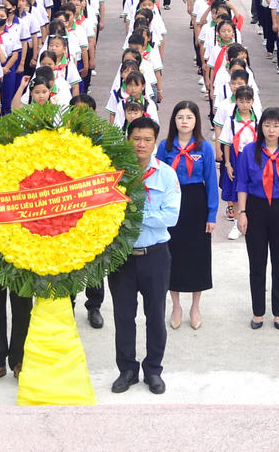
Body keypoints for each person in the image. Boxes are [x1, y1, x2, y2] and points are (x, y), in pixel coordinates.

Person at [109, 116, 180, 395]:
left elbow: (171, 217)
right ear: (129, 139)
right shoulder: (114, 174)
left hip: (155, 255)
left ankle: (153, 370)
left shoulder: (166, 174)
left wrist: (135, 213)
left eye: (147, 139)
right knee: (123, 316)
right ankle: (127, 369)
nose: (141, 144)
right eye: (136, 138)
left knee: (154, 315)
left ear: (155, 142)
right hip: (122, 256)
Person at [235, 106, 279, 330]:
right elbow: (242, 184)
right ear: (260, 126)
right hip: (256, 208)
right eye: (266, 124)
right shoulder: (249, 152)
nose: (271, 129)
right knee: (257, 262)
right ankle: (258, 312)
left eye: (276, 125)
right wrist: (241, 213)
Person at [156, 101, 217, 331]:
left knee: (197, 255)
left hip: (196, 202)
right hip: (173, 202)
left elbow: (211, 182)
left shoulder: (204, 148)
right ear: (174, 120)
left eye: (189, 117)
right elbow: (159, 179)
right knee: (173, 255)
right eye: (180, 117)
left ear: (195, 121)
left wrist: (211, 214)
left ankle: (195, 305)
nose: (184, 121)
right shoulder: (165, 147)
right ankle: (176, 305)